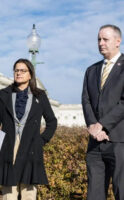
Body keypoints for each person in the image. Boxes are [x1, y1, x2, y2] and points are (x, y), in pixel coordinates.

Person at [0, 59, 57, 200]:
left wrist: (41, 140)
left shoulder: (40, 96)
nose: (19, 73)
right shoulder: (3, 94)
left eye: (23, 70)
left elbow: (52, 121)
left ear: (30, 74)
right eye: (16, 70)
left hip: (31, 146)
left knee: (29, 192)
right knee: (9, 193)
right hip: (7, 146)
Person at [82, 24, 124, 200]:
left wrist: (102, 125)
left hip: (119, 140)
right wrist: (93, 126)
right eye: (99, 39)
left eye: (105, 39)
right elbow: (86, 100)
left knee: (121, 191)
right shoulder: (91, 70)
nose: (100, 43)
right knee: (95, 194)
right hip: (95, 143)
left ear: (118, 41)